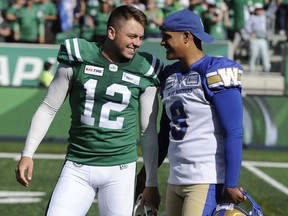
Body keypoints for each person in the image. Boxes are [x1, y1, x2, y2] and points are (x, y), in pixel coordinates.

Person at [15, 5, 162, 216]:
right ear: (111, 32)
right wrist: (27, 153)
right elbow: (48, 108)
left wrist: (151, 182)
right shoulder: (79, 57)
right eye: (131, 36)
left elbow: (148, 130)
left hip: (120, 170)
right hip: (78, 165)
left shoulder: (145, 69)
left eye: (140, 37)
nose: (137, 43)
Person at [137, 8, 246, 216]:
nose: (162, 42)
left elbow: (234, 131)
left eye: (167, 36)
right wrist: (145, 175)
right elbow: (164, 134)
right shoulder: (170, 74)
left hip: (206, 179)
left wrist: (230, 184)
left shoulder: (215, 70)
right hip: (176, 178)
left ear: (186, 36)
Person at [245, 2, 271, 72]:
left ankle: (267, 68)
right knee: (254, 54)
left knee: (265, 54)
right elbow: (247, 27)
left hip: (263, 38)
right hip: (255, 38)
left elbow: (271, 10)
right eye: (258, 9)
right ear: (255, 10)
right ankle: (251, 68)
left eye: (261, 9)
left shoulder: (264, 16)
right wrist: (251, 33)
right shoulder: (252, 17)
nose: (259, 10)